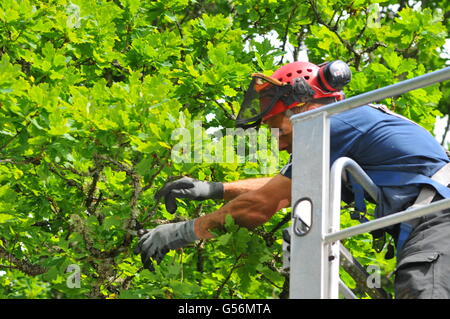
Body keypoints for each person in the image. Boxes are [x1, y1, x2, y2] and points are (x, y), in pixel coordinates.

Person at [134, 60, 450, 299]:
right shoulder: (345, 127)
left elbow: (261, 206)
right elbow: (281, 189)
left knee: (423, 287)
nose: (278, 143)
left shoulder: (330, 124)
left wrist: (182, 232)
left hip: (439, 221)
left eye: (279, 129)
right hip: (432, 219)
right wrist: (212, 190)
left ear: (304, 108)